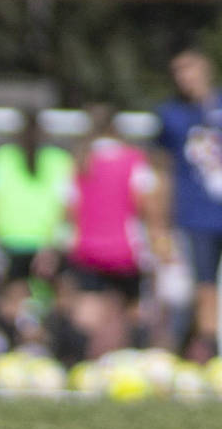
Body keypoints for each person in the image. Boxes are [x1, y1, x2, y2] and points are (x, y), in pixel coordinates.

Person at [154, 48, 222, 359]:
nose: (183, 77)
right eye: (177, 71)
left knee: (216, 284)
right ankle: (208, 348)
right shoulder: (171, 115)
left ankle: (191, 346)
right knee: (200, 284)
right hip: (192, 214)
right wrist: (158, 223)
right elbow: (162, 170)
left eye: (188, 69)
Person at [65, 105, 163, 355]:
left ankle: (80, 362)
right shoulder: (133, 160)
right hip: (125, 249)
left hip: (87, 248)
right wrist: (158, 237)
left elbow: (68, 209)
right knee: (134, 308)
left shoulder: (79, 161)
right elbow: (146, 204)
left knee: (88, 310)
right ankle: (135, 359)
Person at [0, 111, 74, 345]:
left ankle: (33, 343)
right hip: (39, 242)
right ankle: (36, 344)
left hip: (16, 241)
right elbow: (69, 205)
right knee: (50, 299)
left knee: (18, 301)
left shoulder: (2, 158)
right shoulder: (59, 160)